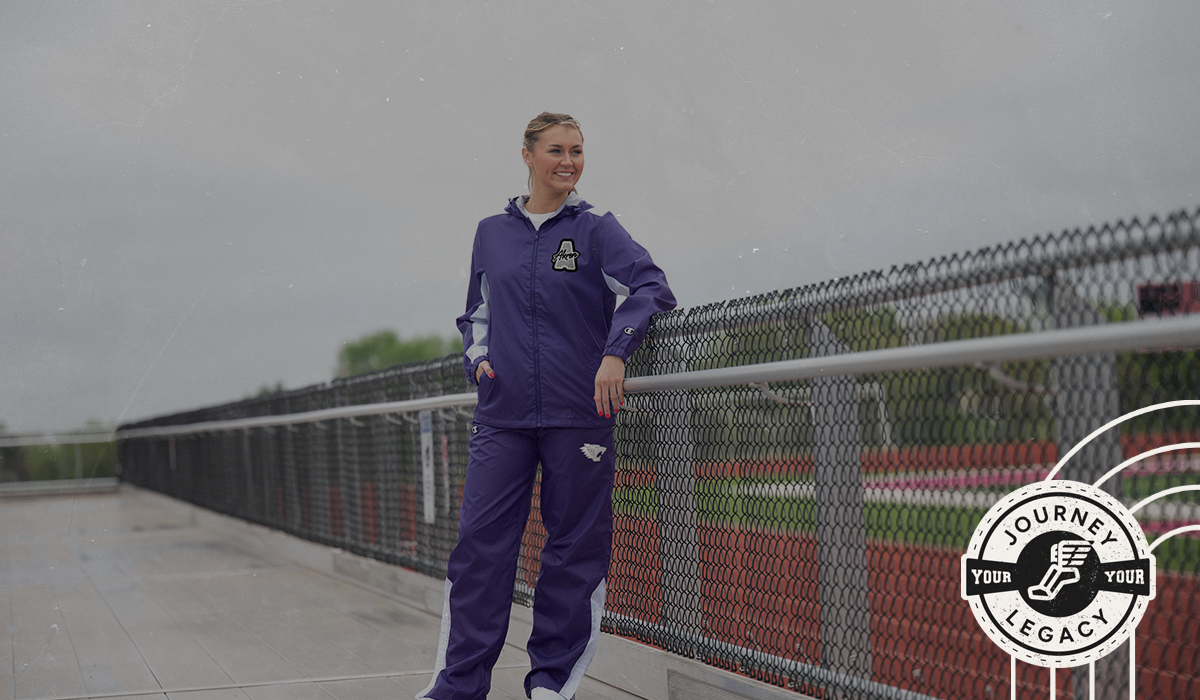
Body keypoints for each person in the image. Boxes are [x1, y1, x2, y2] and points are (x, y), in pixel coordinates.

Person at [417, 112, 676, 700]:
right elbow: (475, 313)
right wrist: (478, 360)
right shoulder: (491, 232)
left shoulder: (596, 229)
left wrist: (617, 351)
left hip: (579, 413)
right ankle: (458, 687)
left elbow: (651, 287)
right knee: (480, 549)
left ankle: (551, 687)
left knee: (571, 553)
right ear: (528, 155)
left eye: (578, 150)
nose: (569, 161)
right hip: (502, 416)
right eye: (556, 149)